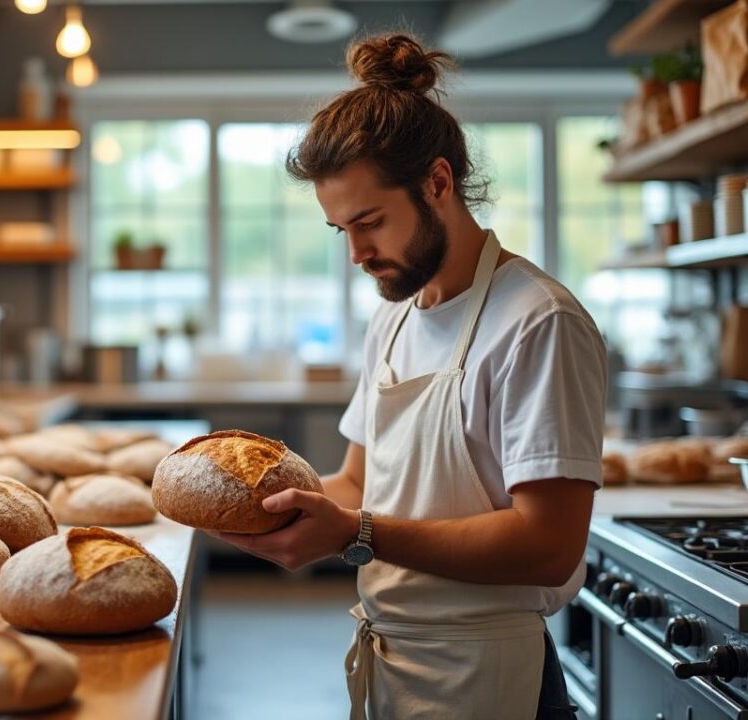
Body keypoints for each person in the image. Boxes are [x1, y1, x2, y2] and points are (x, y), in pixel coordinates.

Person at [210, 33, 605, 719]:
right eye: (341, 231)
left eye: (370, 223)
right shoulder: (394, 317)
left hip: (492, 674)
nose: (359, 254)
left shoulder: (538, 322)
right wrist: (252, 513)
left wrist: (354, 532)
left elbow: (548, 545)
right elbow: (359, 485)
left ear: (439, 183)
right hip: (396, 665)